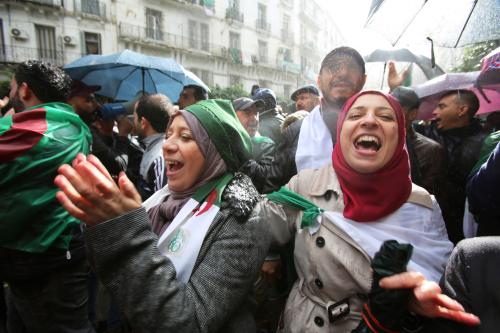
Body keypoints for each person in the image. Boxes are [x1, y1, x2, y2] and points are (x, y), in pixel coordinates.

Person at [54, 100, 269, 332]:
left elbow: (186, 324)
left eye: (185, 137)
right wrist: (103, 222)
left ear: (214, 150)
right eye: (169, 134)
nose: (167, 146)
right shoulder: (162, 200)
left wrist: (126, 233)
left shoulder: (242, 219)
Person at [261, 91, 460, 332]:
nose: (369, 121)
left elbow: (437, 282)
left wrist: (409, 305)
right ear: (342, 132)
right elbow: (260, 227)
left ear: (400, 136)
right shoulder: (305, 185)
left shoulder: (422, 207)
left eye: (386, 117)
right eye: (355, 115)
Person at [0, 60, 94, 332]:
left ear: (25, 90)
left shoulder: (38, 130)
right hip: (40, 255)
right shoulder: (71, 124)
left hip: (44, 259)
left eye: (13, 87)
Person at [241, 46, 366, 193]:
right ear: (319, 81)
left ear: (363, 80)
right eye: (334, 67)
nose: (343, 73)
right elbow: (273, 190)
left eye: (351, 67)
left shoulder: (380, 130)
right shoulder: (295, 132)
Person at [415, 90, 487, 244]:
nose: (435, 112)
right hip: (426, 219)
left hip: (464, 225)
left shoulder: (484, 144)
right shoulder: (425, 135)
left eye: (442, 106)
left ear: (462, 110)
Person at [390, 86, 445, 194]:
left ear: (412, 114)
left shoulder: (431, 150)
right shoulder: (376, 142)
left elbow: (428, 196)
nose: (386, 115)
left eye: (394, 110)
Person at [132, 93, 172, 200]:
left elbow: (162, 204)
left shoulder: (160, 157)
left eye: (135, 117)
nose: (132, 122)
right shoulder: (153, 146)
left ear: (143, 123)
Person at [232, 97, 275, 162]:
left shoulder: (265, 145)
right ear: (232, 116)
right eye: (247, 113)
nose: (255, 118)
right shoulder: (221, 143)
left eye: (256, 113)